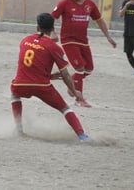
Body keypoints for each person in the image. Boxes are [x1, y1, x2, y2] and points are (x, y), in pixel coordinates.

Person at [10, 13, 89, 141]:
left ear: (37, 27)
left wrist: (49, 76)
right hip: (42, 86)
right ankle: (82, 136)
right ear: (53, 28)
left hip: (20, 84)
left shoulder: (24, 41)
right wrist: (75, 92)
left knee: (14, 95)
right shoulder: (54, 47)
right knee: (65, 109)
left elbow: (31, 65)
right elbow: (65, 74)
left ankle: (18, 129)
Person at [51, 0, 117, 108]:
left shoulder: (90, 5)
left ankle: (70, 81)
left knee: (89, 69)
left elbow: (99, 21)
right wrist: (53, 33)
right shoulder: (65, 3)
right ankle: (79, 99)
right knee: (80, 67)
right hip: (68, 40)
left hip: (83, 41)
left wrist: (108, 37)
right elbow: (51, 17)